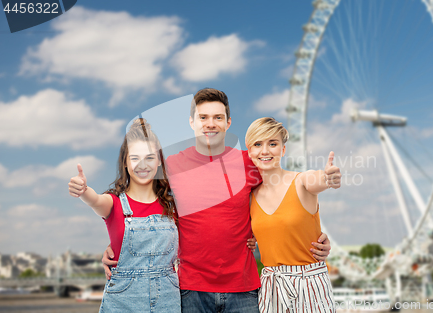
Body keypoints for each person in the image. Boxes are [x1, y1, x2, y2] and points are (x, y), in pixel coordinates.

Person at [102, 88, 333, 313]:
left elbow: (285, 192)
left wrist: (314, 236)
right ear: (192, 122)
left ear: (228, 123)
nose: (210, 123)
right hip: (191, 289)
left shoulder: (250, 163)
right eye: (203, 117)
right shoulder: (171, 166)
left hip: (243, 288)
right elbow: (144, 202)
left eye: (217, 117)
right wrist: (119, 244)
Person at [68, 118, 180, 312]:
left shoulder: (172, 205)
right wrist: (83, 190)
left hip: (168, 299)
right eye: (135, 158)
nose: (142, 165)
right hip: (123, 301)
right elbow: (94, 200)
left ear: (160, 160)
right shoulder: (113, 202)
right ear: (125, 162)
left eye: (150, 157)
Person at [245, 117, 341, 313]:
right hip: (272, 286)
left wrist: (328, 177)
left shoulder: (302, 181)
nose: (265, 151)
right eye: (258, 144)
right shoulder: (249, 198)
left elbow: (318, 179)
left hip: (310, 283)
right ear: (249, 151)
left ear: (283, 149)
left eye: (273, 143)